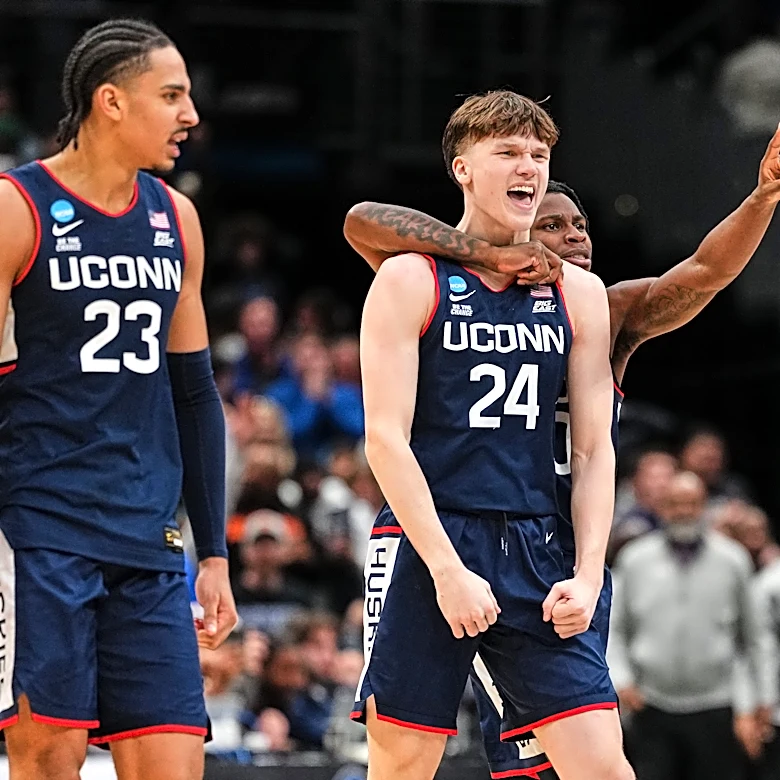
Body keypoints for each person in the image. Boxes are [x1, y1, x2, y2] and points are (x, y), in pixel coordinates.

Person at [344, 124, 780, 778]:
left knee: (559, 764)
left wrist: (763, 197)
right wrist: (486, 254)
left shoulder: (601, 309)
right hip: (444, 528)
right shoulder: (436, 281)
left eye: (580, 225)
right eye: (554, 225)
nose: (575, 237)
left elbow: (703, 273)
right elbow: (365, 223)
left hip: (555, 550)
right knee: (426, 756)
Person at [353, 89, 630, 780]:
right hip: (429, 539)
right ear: (463, 169)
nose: (528, 167)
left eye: (538, 154)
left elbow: (593, 448)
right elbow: (384, 439)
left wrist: (589, 573)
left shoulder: (578, 292)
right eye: (507, 152)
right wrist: (447, 569)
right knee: (402, 768)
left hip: (535, 543)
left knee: (603, 767)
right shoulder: (410, 276)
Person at [0, 18, 238, 780]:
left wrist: (214, 553)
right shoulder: (15, 206)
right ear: (110, 101)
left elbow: (193, 392)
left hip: (148, 537)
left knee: (174, 761)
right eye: (171, 96)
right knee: (48, 759)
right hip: (40, 529)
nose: (189, 115)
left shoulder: (176, 218)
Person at [608, 471, 775, 780]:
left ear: (704, 505)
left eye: (692, 503)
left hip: (716, 704)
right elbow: (615, 628)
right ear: (662, 507)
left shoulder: (733, 560)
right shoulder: (634, 560)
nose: (683, 511)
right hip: (651, 704)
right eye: (675, 503)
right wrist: (622, 678)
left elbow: (754, 637)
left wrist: (761, 698)